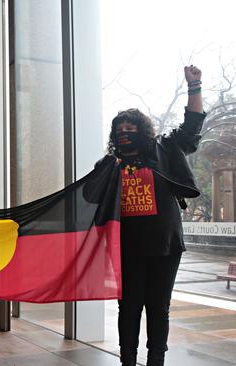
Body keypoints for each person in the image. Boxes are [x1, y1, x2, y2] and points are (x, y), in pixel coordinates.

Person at [104, 65, 204, 366]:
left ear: (143, 131)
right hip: (126, 247)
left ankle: (156, 361)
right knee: (129, 307)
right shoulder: (111, 164)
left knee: (159, 307)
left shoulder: (166, 147)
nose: (124, 134)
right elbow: (88, 197)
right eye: (119, 130)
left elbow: (191, 128)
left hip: (165, 244)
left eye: (130, 129)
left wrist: (195, 86)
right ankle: (127, 360)